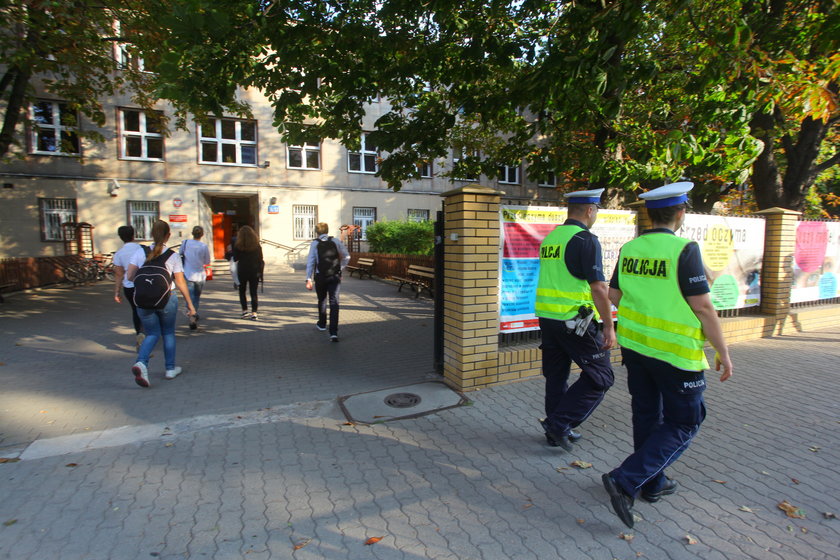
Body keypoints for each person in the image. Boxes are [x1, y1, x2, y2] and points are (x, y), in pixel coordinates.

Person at [602, 182, 733, 529]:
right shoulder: (684, 248)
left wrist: (645, 310)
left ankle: (653, 483)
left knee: (647, 414)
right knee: (685, 421)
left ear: (649, 213)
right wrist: (723, 351)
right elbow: (704, 307)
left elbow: (615, 295)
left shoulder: (631, 248)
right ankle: (626, 479)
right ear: (681, 213)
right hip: (675, 355)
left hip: (637, 348)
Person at [534, 188, 616, 452]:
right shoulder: (585, 239)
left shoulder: (551, 238)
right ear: (590, 210)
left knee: (556, 376)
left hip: (548, 318)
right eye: (597, 211)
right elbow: (599, 288)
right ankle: (559, 425)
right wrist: (608, 325)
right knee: (601, 375)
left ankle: (556, 428)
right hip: (574, 321)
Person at [126, 220, 196, 387]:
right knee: (168, 333)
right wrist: (190, 304)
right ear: (168, 235)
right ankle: (170, 369)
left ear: (151, 234)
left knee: (152, 334)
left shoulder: (139, 252)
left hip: (142, 300)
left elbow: (129, 277)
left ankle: (141, 363)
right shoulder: (172, 256)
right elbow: (180, 282)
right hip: (167, 298)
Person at [305, 222, 350, 342]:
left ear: (317, 232)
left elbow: (311, 261)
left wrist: (308, 278)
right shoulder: (335, 241)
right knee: (334, 302)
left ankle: (322, 324)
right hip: (334, 276)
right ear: (327, 230)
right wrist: (339, 269)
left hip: (320, 276)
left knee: (322, 300)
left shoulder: (315, 243)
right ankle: (334, 332)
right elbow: (347, 257)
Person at [112, 225, 145, 349]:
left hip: (129, 287)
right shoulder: (143, 249)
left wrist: (117, 292)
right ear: (133, 235)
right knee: (147, 309)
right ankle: (148, 332)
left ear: (121, 237)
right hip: (145, 285)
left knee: (136, 311)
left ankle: (139, 334)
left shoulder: (119, 254)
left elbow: (119, 274)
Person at [180, 225, 211, 330]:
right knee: (196, 297)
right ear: (202, 235)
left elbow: (180, 254)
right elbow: (207, 262)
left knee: (189, 297)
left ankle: (191, 314)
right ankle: (193, 316)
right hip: (200, 275)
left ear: (192, 233)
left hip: (187, 274)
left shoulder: (185, 243)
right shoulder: (203, 246)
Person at [233, 225, 264, 320]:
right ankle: (254, 312)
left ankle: (244, 311)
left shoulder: (238, 246)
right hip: (254, 271)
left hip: (242, 270)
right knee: (253, 292)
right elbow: (261, 259)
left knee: (242, 291)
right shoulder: (257, 246)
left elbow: (235, 258)